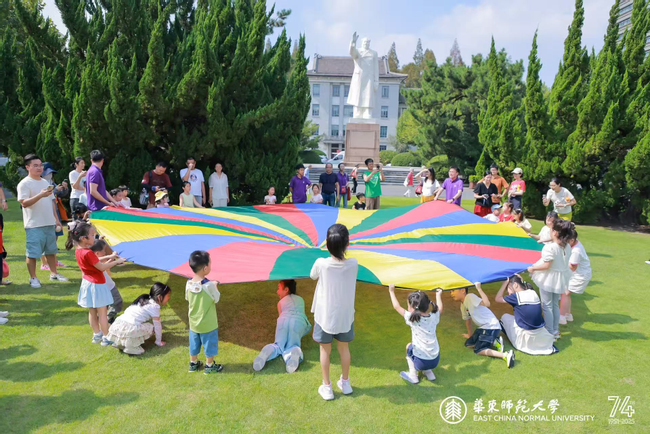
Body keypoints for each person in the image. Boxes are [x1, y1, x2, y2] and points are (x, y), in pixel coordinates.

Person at [310, 224, 358, 400]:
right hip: (345, 315)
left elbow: (312, 275)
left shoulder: (321, 263)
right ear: (347, 244)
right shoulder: (353, 264)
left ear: (327, 244)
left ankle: (327, 387)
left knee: (325, 350)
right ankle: (345, 383)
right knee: (344, 348)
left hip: (325, 315)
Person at [66, 221, 125, 346]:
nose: (94, 237)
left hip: (87, 284)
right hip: (97, 285)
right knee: (102, 313)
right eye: (92, 235)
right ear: (84, 238)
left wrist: (110, 256)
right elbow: (101, 267)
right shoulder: (88, 252)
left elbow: (95, 260)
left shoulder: (79, 250)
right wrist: (116, 261)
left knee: (92, 312)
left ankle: (96, 334)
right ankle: (107, 337)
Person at [17, 154, 69, 288]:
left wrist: (56, 219)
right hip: (34, 225)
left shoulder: (45, 183)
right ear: (27, 167)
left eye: (40, 165)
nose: (39, 168)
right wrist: (40, 195)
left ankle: (54, 273)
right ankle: (33, 278)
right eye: (35, 165)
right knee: (32, 253)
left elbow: (52, 202)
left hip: (49, 223)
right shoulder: (24, 184)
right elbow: (24, 203)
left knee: (51, 251)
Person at [527, 219, 573, 339]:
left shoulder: (550, 248)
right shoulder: (567, 246)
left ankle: (549, 331)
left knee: (547, 305)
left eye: (551, 230)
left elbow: (547, 265)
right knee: (554, 304)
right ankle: (555, 330)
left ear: (555, 232)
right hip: (560, 278)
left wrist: (533, 268)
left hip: (548, 278)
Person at [450, 283, 515, 368]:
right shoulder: (463, 305)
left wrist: (479, 289)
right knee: (468, 344)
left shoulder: (470, 297)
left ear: (463, 290)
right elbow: (467, 320)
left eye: (453, 291)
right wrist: (469, 335)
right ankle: (495, 341)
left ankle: (505, 355)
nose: (451, 293)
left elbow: (487, 304)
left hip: (491, 326)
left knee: (479, 349)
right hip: (483, 328)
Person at [253, 280, 312, 373]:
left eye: (279, 288)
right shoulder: (301, 299)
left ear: (286, 289)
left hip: (283, 320)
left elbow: (281, 316)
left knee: (279, 345)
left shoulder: (280, 303)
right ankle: (294, 351)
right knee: (292, 344)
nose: (277, 292)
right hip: (298, 321)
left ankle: (270, 349)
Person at [388, 285, 443, 384]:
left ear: (413, 307)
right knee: (425, 351)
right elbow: (440, 308)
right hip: (435, 360)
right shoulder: (434, 317)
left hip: (421, 362)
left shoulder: (412, 318)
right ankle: (429, 372)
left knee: (409, 346)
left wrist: (391, 291)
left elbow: (397, 307)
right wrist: (438, 295)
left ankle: (413, 376)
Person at [495, 275, 558, 356]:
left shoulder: (516, 297)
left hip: (526, 338)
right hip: (541, 334)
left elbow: (497, 298)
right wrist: (518, 280)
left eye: (508, 288)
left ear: (515, 285)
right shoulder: (532, 292)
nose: (507, 292)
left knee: (505, 317)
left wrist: (504, 284)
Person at [107, 282, 171, 355]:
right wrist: (158, 342)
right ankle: (131, 347)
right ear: (159, 297)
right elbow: (158, 326)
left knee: (137, 326)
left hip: (118, 324)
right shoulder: (154, 306)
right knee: (152, 328)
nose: (169, 298)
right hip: (129, 327)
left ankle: (120, 343)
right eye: (168, 295)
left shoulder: (143, 299)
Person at [186, 250, 223, 374]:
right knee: (209, 344)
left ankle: (193, 363)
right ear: (205, 268)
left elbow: (187, 298)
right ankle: (209, 366)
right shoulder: (209, 285)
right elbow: (216, 298)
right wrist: (215, 285)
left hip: (193, 323)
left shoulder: (188, 283)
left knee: (194, 344)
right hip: (208, 324)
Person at [560, 229, 592, 325]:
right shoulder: (575, 244)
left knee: (565, 293)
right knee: (566, 293)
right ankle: (567, 315)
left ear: (572, 240)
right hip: (579, 274)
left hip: (580, 276)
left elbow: (572, 267)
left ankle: (561, 317)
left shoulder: (576, 251)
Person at [90, 239, 124, 325]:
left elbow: (104, 266)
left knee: (107, 304)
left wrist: (112, 259)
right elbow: (101, 265)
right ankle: (108, 318)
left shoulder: (94, 262)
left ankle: (106, 318)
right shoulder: (93, 262)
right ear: (97, 253)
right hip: (108, 287)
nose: (105, 252)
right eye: (104, 251)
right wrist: (113, 259)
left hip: (107, 287)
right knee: (117, 302)